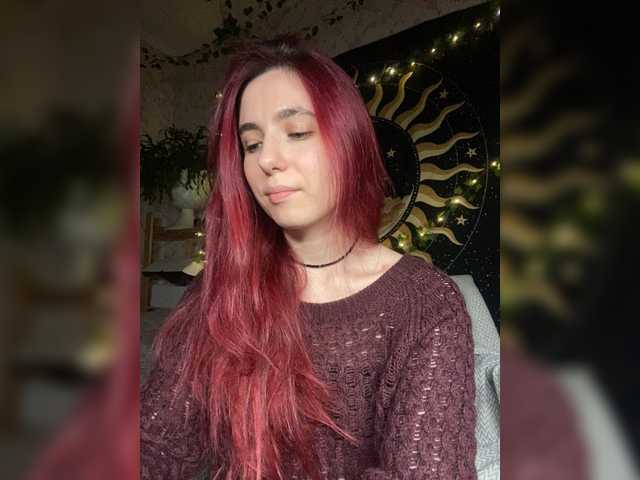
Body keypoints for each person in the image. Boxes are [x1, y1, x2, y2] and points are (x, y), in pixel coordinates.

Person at [141, 34, 477, 480]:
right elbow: (156, 445)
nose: (268, 160)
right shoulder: (218, 290)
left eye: (296, 132)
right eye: (251, 144)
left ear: (349, 142)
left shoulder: (427, 305)